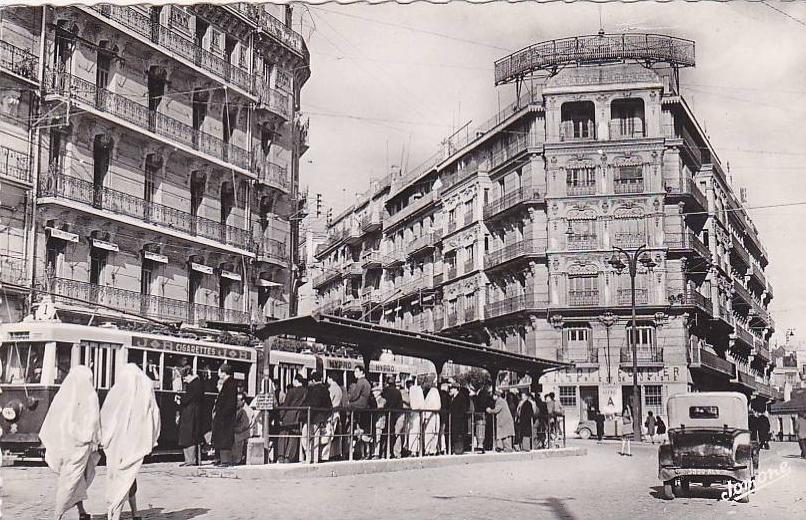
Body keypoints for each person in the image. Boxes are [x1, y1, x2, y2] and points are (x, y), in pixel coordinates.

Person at [39, 366, 101, 520]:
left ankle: (82, 512)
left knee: (75, 479)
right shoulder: (90, 396)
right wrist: (95, 439)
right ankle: (57, 515)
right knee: (72, 481)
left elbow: (55, 420)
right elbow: (93, 421)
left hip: (64, 445)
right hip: (80, 446)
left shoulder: (64, 395)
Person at [100, 363, 160, 520]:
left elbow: (106, 416)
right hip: (136, 444)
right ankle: (133, 513)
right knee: (129, 476)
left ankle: (115, 514)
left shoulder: (117, 392)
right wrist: (151, 439)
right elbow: (155, 416)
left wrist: (104, 438)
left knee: (118, 477)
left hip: (116, 444)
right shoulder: (145, 391)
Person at [211, 363, 238, 466]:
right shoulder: (229, 382)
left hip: (225, 418)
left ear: (223, 372)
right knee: (221, 437)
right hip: (224, 416)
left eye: (219, 371)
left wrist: (222, 414)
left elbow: (229, 402)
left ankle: (225, 460)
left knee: (224, 438)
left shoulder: (229, 383)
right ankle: (221, 459)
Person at [176, 366, 203, 466]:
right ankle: (189, 460)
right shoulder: (197, 383)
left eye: (184, 378)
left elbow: (188, 398)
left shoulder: (194, 384)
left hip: (191, 414)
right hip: (191, 413)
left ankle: (190, 460)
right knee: (187, 435)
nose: (184, 380)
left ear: (189, 375)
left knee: (189, 436)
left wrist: (180, 400)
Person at [303, 371, 332, 463]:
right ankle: (315, 459)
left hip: (311, 416)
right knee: (316, 438)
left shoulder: (312, 390)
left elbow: (310, 403)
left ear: (313, 380)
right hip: (320, 418)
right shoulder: (325, 389)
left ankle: (308, 457)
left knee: (305, 437)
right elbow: (329, 405)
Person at [278, 373, 307, 463]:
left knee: (283, 435)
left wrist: (281, 416)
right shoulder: (305, 391)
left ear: (296, 381)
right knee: (293, 437)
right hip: (298, 416)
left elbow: (286, 404)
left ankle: (281, 456)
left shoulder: (291, 391)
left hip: (288, 415)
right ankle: (288, 457)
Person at [380, 375, 403, 458]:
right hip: (394, 415)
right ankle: (391, 452)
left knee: (384, 434)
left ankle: (382, 452)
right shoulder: (398, 392)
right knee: (392, 434)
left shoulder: (385, 391)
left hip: (385, 415)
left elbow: (382, 402)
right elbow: (400, 405)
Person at [324, 374, 343, 461]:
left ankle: (327, 455)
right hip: (337, 413)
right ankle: (335, 453)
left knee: (328, 434)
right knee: (334, 434)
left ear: (329, 378)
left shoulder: (331, 389)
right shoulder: (339, 388)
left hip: (331, 413)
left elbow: (329, 401)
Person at [448, 381, 470, 455]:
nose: (450, 390)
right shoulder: (453, 397)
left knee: (459, 435)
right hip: (454, 420)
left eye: (452, 388)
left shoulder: (461, 397)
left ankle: (459, 449)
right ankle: (456, 449)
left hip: (459, 420)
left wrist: (458, 417)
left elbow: (463, 410)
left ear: (456, 389)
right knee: (455, 434)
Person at [232, 393, 253, 465]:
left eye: (238, 400)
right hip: (239, 430)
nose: (236, 402)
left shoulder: (247, 410)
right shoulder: (238, 409)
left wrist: (235, 429)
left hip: (245, 431)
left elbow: (245, 425)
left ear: (243, 401)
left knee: (237, 438)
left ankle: (237, 459)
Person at [407, 377, 425, 456]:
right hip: (418, 412)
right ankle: (416, 449)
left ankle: (412, 450)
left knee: (412, 432)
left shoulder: (412, 390)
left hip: (413, 412)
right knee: (416, 432)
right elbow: (422, 403)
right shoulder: (419, 390)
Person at [423, 380, 442, 455]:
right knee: (435, 433)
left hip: (430, 415)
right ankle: (433, 449)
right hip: (436, 414)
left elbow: (428, 405)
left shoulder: (431, 393)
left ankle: (428, 449)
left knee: (429, 433)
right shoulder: (435, 392)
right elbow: (438, 405)